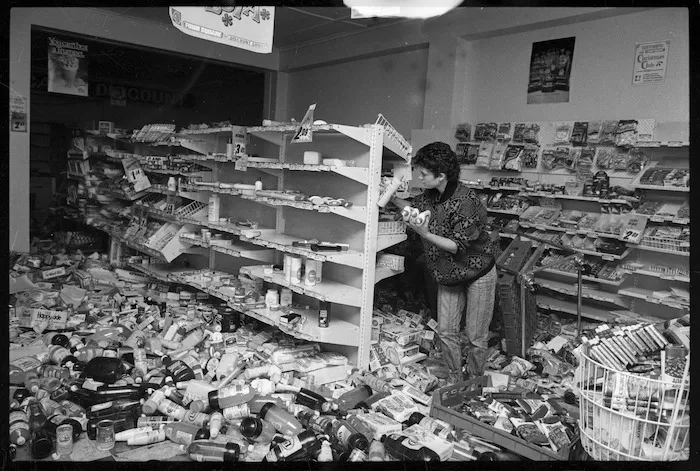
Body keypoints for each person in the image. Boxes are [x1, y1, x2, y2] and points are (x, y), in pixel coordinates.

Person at [389, 142, 498, 384]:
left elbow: (457, 245)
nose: (419, 177)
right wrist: (391, 197)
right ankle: (455, 379)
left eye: (424, 173)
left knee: (476, 336)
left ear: (441, 175)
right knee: (447, 331)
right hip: (449, 274)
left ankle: (474, 381)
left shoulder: (468, 201)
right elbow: (413, 207)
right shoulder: (430, 196)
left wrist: (424, 233)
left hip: (477, 273)